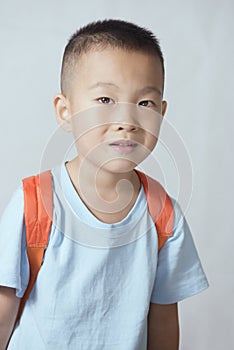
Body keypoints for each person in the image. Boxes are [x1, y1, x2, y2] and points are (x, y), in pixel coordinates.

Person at [0, 19, 208, 350]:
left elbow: (164, 319)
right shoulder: (34, 202)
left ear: (162, 113)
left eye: (145, 103)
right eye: (105, 100)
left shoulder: (163, 215)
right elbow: (4, 302)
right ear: (65, 111)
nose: (126, 122)